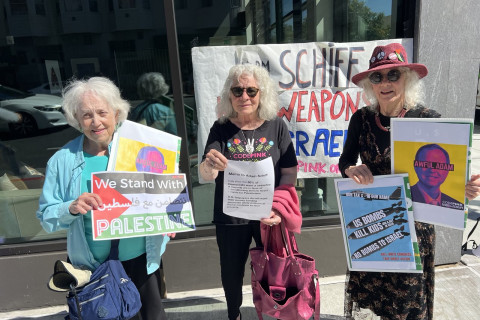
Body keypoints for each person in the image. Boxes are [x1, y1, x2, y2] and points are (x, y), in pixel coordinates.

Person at [339, 42, 480, 319]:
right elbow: (345, 161)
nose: (385, 83)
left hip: (414, 229)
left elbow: (450, 174)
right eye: (377, 76)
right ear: (370, 83)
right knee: (374, 299)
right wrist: (351, 171)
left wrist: (466, 188)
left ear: (408, 78)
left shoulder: (428, 120)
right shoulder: (361, 119)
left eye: (394, 74)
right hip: (374, 223)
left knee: (407, 305)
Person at [36, 77, 173, 320]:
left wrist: (169, 218)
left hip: (142, 262)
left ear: (117, 112)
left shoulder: (141, 148)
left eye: (102, 112)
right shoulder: (62, 160)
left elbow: (164, 193)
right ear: (77, 119)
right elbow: (46, 217)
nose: (96, 122)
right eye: (87, 115)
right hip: (92, 269)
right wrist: (72, 207)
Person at [199, 64, 299, 320]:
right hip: (231, 218)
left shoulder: (276, 126)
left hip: (269, 217)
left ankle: (275, 313)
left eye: (251, 91)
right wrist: (210, 165)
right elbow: (205, 173)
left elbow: (289, 172)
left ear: (261, 93)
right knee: (231, 273)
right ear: (229, 95)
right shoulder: (220, 128)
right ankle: (235, 314)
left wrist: (279, 208)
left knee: (275, 272)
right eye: (237, 90)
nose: (244, 97)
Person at [411, 143, 462, 209]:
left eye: (439, 165)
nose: (432, 170)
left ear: (447, 170)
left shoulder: (457, 205)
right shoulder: (402, 196)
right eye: (426, 164)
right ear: (415, 167)